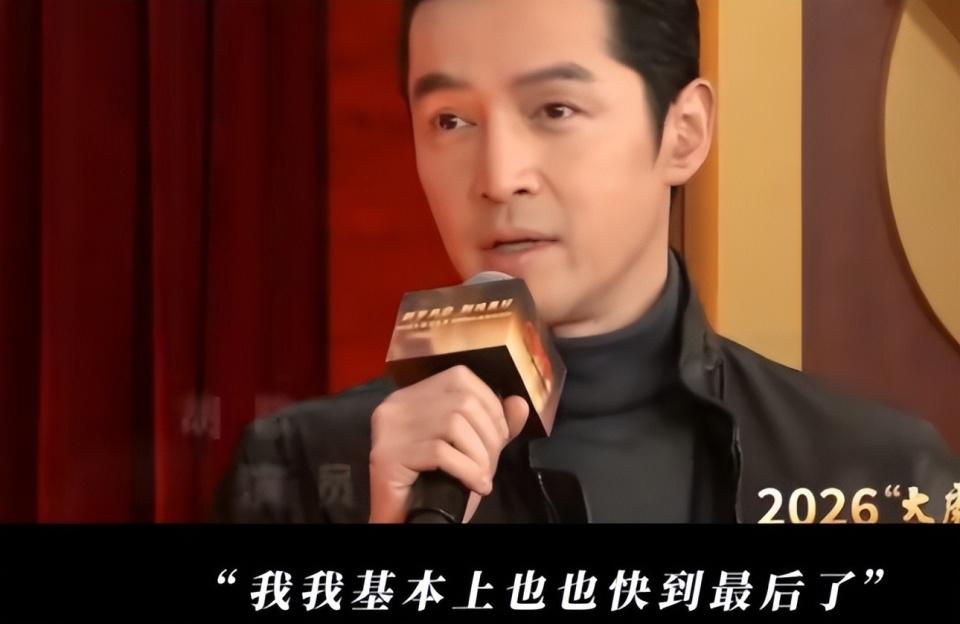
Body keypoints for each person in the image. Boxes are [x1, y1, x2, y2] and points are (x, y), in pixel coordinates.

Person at [215, 0, 959, 524]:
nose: (499, 177)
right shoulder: (302, 470)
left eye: (555, 110)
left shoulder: (879, 475)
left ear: (683, 133)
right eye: (451, 120)